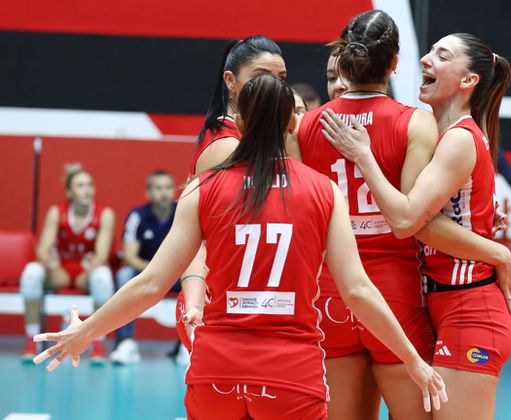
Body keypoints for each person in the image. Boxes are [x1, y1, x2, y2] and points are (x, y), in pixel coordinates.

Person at [32, 74, 447, 420]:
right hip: (290, 375)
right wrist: (413, 360)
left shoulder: (202, 188)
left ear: (239, 122)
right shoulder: (323, 192)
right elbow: (357, 290)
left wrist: (87, 331)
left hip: (217, 373)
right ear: (293, 124)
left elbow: (152, 283)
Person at [290, 13, 511, 419]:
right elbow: (412, 217)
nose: (427, 60)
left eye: (440, 55)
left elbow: (297, 215)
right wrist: (495, 248)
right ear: (394, 63)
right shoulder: (417, 122)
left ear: (344, 60)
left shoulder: (305, 125)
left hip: (332, 292)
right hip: (396, 294)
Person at [176, 35, 288, 353]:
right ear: (230, 81)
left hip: (250, 303)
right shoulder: (226, 147)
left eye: (281, 79)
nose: (274, 87)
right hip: (218, 305)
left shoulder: (255, 139)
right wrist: (195, 301)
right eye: (260, 76)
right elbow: (196, 243)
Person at [19, 163, 115, 363]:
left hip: (85, 274)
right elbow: (43, 250)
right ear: (69, 192)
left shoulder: (104, 214)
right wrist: (50, 262)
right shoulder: (57, 211)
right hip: (60, 271)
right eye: (80, 185)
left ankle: (98, 344)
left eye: (90, 185)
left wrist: (92, 266)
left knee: (103, 278)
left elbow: (101, 255)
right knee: (31, 274)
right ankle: (31, 340)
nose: (87, 190)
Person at [110, 170, 177, 364]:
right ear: (148, 193)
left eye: (168, 187)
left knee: (199, 278)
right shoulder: (137, 216)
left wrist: (170, 271)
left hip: (176, 273)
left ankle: (188, 345)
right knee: (124, 275)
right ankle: (125, 342)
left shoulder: (183, 212)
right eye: (158, 188)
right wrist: (154, 271)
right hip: (145, 272)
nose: (164, 193)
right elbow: (129, 256)